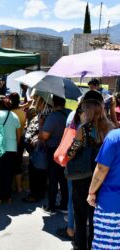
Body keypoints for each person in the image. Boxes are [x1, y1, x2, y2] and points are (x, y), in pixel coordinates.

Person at [67, 99, 114, 250]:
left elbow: (71, 152)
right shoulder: (111, 128)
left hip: (83, 176)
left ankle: (80, 245)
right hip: (104, 177)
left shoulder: (84, 129)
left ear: (88, 112)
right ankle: (94, 244)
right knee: (96, 216)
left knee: (80, 215)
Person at [87, 128, 120, 250]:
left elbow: (102, 168)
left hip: (111, 205)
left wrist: (91, 192)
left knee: (105, 245)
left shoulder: (114, 137)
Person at [39, 95, 70, 215]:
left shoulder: (53, 116)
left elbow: (44, 136)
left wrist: (41, 124)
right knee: (63, 178)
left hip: (55, 151)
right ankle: (64, 204)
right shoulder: (70, 114)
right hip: (67, 150)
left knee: (53, 178)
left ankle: (51, 206)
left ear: (53, 103)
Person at [0, 95, 20, 203]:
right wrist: (16, 146)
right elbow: (18, 134)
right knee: (9, 173)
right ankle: (8, 197)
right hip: (11, 148)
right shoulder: (13, 115)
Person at [22, 95, 51, 203]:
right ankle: (38, 193)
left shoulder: (44, 116)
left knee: (37, 172)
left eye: (37, 102)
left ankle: (36, 194)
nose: (35, 104)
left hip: (39, 148)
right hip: (36, 148)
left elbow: (43, 133)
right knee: (38, 172)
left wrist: (37, 134)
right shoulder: (40, 115)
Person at [8, 92, 26, 193]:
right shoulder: (22, 112)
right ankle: (19, 187)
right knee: (18, 164)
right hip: (21, 139)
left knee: (9, 164)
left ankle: (9, 187)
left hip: (11, 139)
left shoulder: (10, 113)